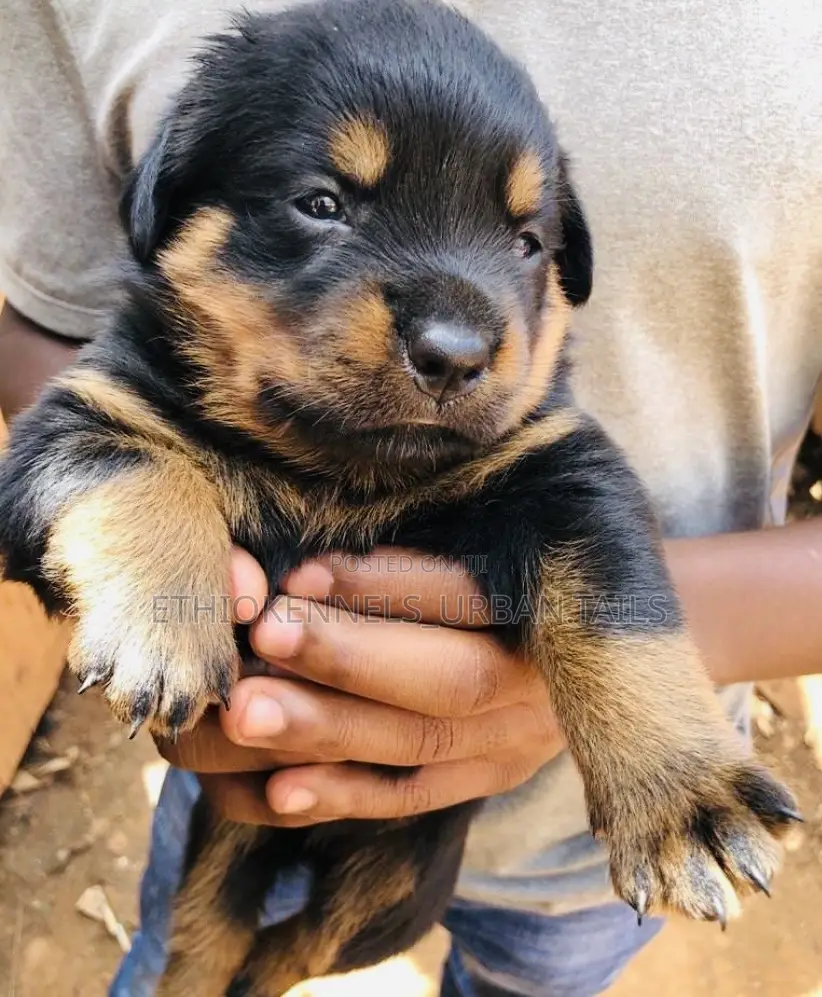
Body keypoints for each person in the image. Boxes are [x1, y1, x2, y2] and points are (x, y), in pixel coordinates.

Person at [2, 1, 822, 995]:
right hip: (238, 755)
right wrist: (149, 560)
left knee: (400, 917)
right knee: (195, 940)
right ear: (169, 206)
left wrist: (663, 751)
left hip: (556, 859)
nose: (458, 338)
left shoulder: (525, 450)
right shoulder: (153, 388)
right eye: (323, 203)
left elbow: (584, 536)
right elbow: (57, 452)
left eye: (523, 242)